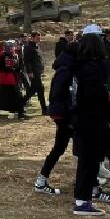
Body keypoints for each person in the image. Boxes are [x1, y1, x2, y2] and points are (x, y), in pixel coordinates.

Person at [60, 30, 110, 219]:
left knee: (88, 160)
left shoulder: (79, 66)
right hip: (96, 118)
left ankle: (82, 201)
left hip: (83, 120)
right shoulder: (94, 67)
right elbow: (96, 96)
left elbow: (98, 90)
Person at [34, 36, 78, 196]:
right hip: (64, 115)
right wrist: (68, 110)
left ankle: (41, 180)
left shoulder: (67, 69)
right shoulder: (65, 71)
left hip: (64, 114)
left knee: (60, 148)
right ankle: (91, 183)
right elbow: (57, 93)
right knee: (73, 147)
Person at [0, 41, 25, 117]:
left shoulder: (15, 55)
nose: (13, 48)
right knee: (15, 95)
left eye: (13, 47)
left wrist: (18, 69)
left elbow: (17, 68)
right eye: (11, 47)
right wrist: (11, 68)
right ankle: (20, 113)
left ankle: (20, 112)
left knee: (4, 95)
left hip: (12, 78)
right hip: (5, 79)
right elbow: (0, 68)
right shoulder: (3, 56)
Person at [20, 31, 47, 115]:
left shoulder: (37, 46)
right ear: (32, 38)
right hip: (33, 72)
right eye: (37, 38)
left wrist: (42, 70)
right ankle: (44, 109)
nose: (39, 39)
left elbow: (39, 59)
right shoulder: (28, 47)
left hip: (37, 71)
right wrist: (29, 71)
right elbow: (26, 61)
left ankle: (20, 104)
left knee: (34, 90)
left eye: (39, 37)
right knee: (39, 89)